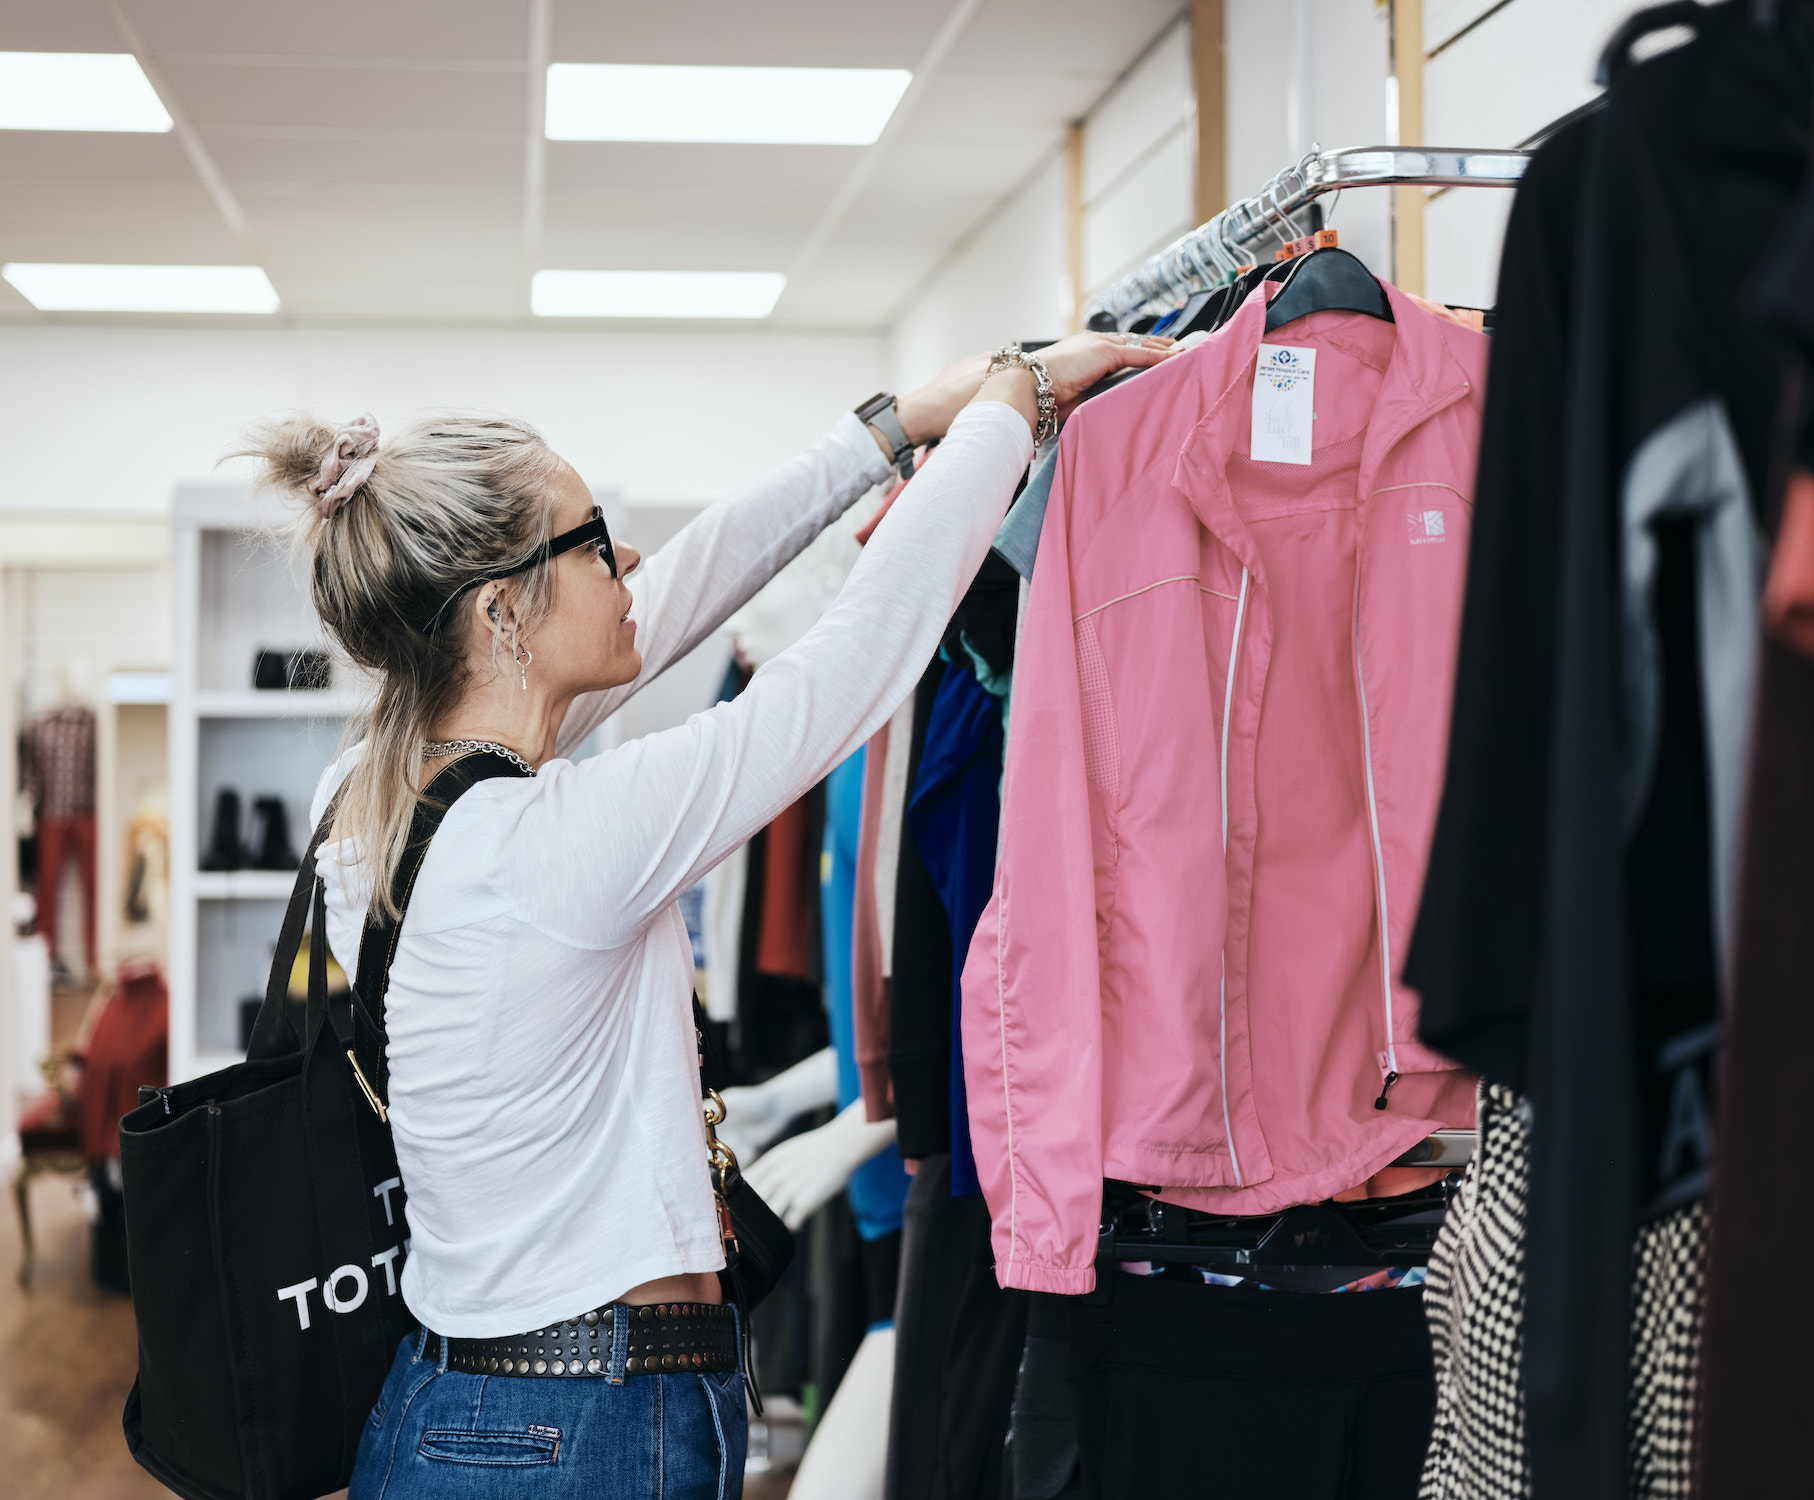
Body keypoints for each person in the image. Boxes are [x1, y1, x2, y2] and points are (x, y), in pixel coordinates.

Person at [235, 332, 1171, 1500]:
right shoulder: (550, 845)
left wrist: (885, 433)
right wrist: (1006, 410)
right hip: (579, 1429)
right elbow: (850, 666)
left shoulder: (374, 798)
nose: (628, 557)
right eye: (588, 543)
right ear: (501, 615)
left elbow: (680, 586)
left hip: (475, 1407)